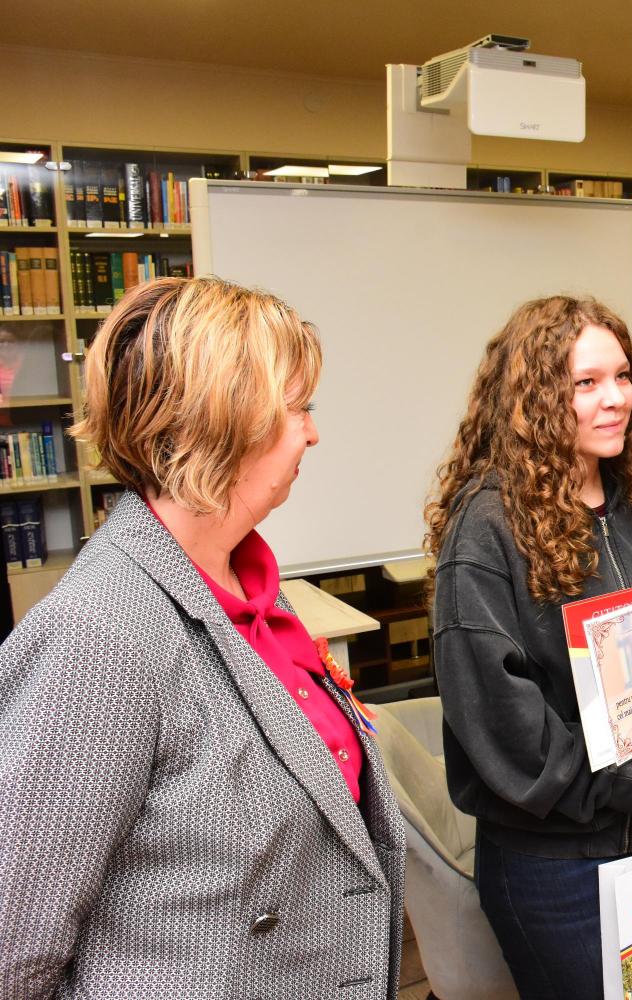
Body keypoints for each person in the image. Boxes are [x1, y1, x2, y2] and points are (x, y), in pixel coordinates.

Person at [0, 276, 405, 997]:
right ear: (225, 421)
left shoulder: (249, 584)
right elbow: (14, 947)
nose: (313, 433)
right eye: (299, 409)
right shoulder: (98, 636)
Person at [426, 295, 632, 1000]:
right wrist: (622, 786)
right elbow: (499, 723)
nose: (617, 398)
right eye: (586, 383)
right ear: (533, 401)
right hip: (558, 868)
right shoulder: (486, 530)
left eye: (623, 376)